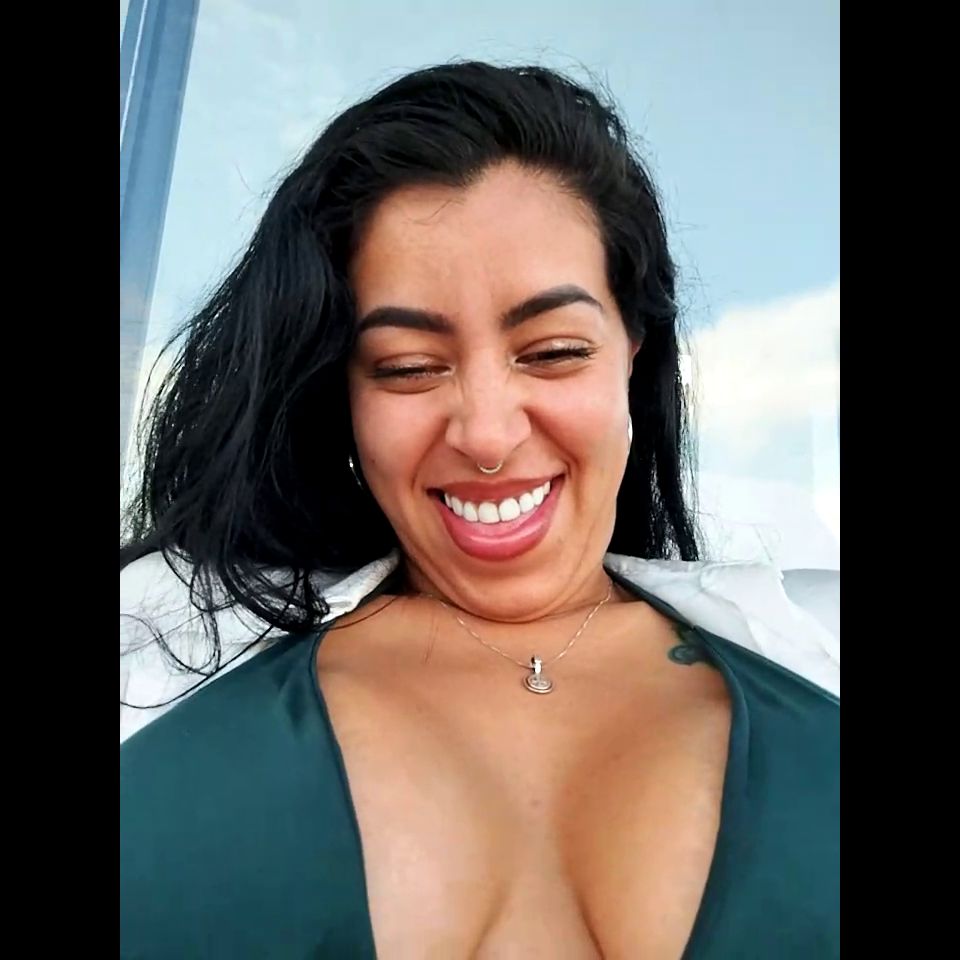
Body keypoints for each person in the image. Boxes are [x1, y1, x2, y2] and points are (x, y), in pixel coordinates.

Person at [120, 61, 839, 958]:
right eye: (408, 367)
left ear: (632, 352)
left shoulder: (816, 647)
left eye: (554, 351)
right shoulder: (151, 653)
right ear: (341, 394)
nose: (488, 435)